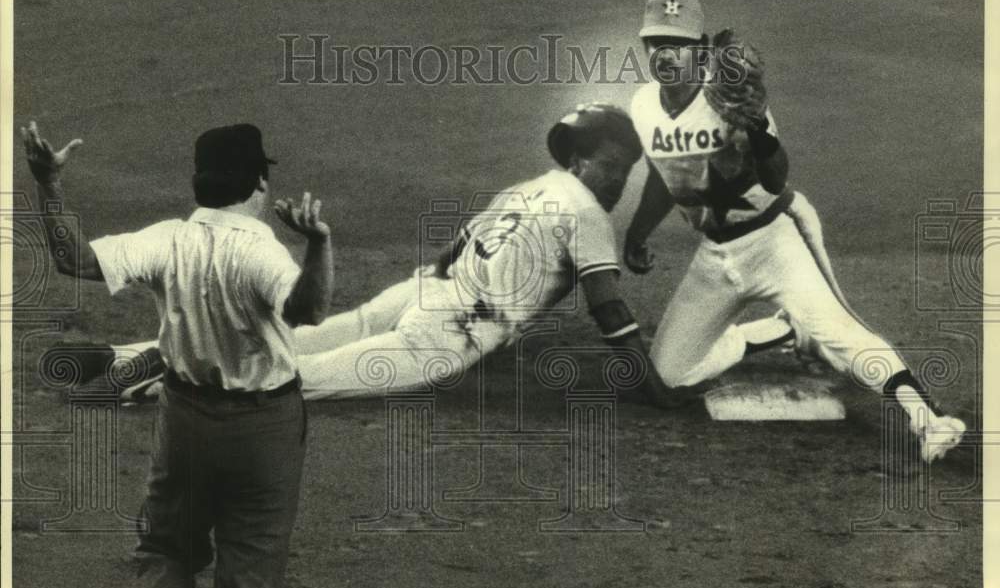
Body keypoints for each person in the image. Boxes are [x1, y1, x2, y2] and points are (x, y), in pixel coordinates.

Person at [57, 104, 686, 408]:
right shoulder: (589, 215)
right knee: (297, 381)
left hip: (415, 294)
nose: (616, 181)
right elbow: (610, 311)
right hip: (444, 331)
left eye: (624, 171)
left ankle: (119, 356)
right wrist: (655, 390)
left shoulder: (530, 187)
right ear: (582, 162)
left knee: (302, 340)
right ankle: (159, 382)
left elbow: (458, 247)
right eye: (614, 167)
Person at [622, 0, 966, 463]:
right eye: (655, 42)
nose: (664, 54)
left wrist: (759, 130)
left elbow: (775, 177)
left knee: (841, 335)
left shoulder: (727, 99)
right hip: (715, 255)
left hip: (775, 238)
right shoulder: (643, 105)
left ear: (700, 49)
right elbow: (664, 179)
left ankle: (930, 420)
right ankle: (782, 332)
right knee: (667, 378)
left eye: (676, 43)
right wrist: (638, 233)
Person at [23, 120, 334, 588]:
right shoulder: (262, 252)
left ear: (200, 182)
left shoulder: (167, 238)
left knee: (166, 550)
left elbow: (74, 259)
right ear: (260, 182)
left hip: (185, 421)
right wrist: (318, 244)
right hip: (263, 429)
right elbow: (309, 310)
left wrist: (48, 183)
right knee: (251, 565)